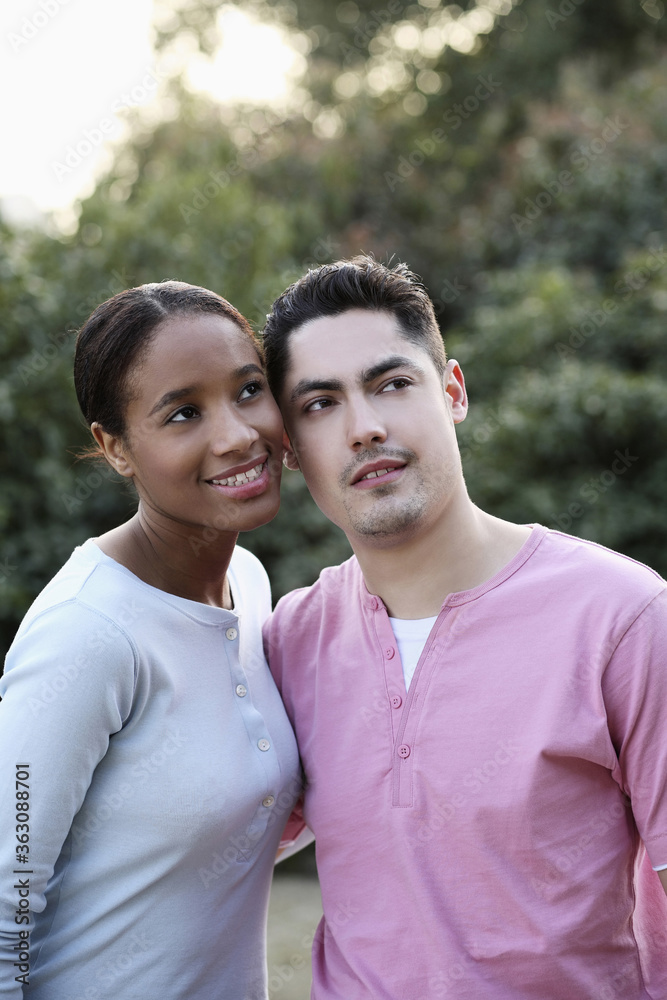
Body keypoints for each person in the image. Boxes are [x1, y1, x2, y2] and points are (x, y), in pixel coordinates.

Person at [262, 255, 667, 1000]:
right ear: (290, 449)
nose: (365, 427)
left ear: (452, 392)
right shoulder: (288, 643)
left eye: (391, 384)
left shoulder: (622, 616)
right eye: (320, 404)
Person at [0, 281, 301, 1000]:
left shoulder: (250, 586)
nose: (235, 434)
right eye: (183, 413)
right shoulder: (88, 632)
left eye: (249, 389)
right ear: (115, 448)